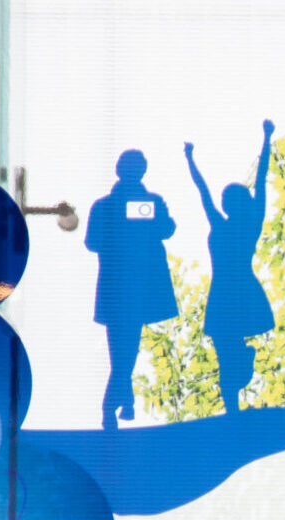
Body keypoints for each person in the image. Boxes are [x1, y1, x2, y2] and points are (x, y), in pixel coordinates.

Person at [185, 121, 277, 414]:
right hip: (224, 291)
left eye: (227, 199)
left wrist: (266, 138)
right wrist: (190, 160)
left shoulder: (249, 224)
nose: (221, 202)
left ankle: (235, 392)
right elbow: (202, 191)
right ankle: (232, 407)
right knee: (225, 350)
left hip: (237, 289)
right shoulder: (224, 223)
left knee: (227, 348)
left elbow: (262, 178)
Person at [86, 149, 179, 429]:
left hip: (132, 285)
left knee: (124, 349)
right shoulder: (106, 207)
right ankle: (118, 403)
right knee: (124, 350)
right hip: (124, 285)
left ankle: (120, 403)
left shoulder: (133, 203)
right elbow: (93, 241)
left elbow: (166, 229)